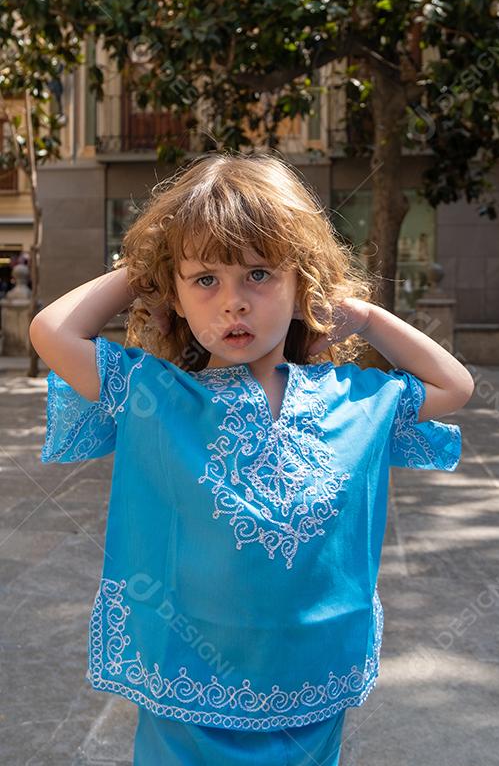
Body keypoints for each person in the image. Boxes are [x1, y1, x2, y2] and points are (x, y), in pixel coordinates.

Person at [29, 148, 474, 766]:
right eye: (205, 279)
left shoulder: (355, 400)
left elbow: (456, 386)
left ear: (302, 285)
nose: (233, 303)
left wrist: (365, 317)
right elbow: (52, 332)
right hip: (183, 690)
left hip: (309, 693)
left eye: (259, 274)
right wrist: (151, 266)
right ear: (175, 297)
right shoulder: (152, 393)